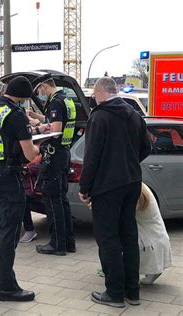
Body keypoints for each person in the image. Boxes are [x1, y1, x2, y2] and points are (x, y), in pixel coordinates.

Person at [79, 77, 151, 308]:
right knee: (128, 236)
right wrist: (129, 163)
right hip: (131, 183)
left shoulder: (99, 117)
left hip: (107, 187)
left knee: (108, 238)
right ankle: (133, 291)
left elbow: (91, 157)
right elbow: (146, 147)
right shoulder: (134, 115)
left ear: (100, 93)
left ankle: (115, 293)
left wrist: (85, 187)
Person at [0, 76, 40, 302]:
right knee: (9, 231)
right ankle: (6, 287)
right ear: (23, 97)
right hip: (7, 175)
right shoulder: (15, 115)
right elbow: (29, 154)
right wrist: (38, 150)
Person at [33, 76, 77, 256]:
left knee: (52, 201)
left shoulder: (56, 103)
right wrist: (37, 118)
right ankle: (68, 242)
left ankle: (56, 243)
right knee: (62, 200)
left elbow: (56, 130)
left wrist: (36, 134)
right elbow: (56, 121)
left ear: (44, 86)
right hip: (64, 154)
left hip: (53, 154)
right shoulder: (66, 100)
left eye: (39, 90)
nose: (40, 94)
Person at [136, 183, 172, 285]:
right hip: (159, 237)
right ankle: (153, 270)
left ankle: (147, 271)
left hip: (150, 242)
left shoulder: (135, 193)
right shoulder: (143, 186)